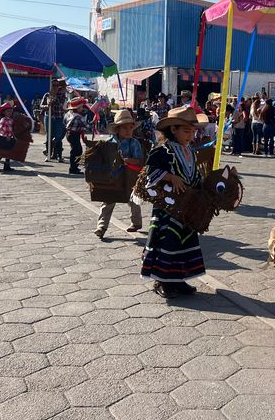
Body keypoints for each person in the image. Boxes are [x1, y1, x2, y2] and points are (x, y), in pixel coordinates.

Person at [140, 107, 208, 299]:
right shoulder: (162, 151)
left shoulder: (190, 152)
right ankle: (162, 281)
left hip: (186, 208)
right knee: (167, 241)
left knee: (183, 242)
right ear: (173, 130)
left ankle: (178, 280)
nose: (191, 135)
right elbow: (149, 172)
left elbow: (194, 175)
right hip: (167, 208)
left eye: (193, 131)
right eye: (186, 131)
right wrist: (170, 176)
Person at [94, 110, 145, 239]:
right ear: (117, 129)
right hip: (114, 177)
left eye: (130, 128)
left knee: (133, 200)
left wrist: (126, 160)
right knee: (108, 201)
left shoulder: (134, 143)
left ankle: (136, 223)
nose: (128, 131)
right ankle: (101, 226)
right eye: (125, 128)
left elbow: (138, 160)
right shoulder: (109, 142)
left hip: (130, 176)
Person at [41, 79, 67, 161]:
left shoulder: (62, 95)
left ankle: (59, 155)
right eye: (53, 85)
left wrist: (54, 97)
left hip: (59, 118)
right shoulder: (46, 95)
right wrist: (47, 106)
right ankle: (48, 154)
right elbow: (41, 106)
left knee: (58, 137)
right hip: (49, 117)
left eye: (57, 85)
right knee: (49, 137)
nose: (55, 87)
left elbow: (61, 106)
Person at [64, 97, 89, 174]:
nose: (83, 108)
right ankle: (73, 168)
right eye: (81, 106)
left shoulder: (69, 113)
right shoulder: (78, 117)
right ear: (77, 108)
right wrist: (93, 122)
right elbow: (86, 126)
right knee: (76, 151)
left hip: (69, 134)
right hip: (74, 135)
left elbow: (64, 121)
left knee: (76, 150)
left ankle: (74, 167)